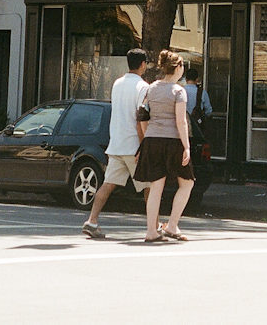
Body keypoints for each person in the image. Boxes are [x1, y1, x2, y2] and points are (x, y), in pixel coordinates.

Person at [82, 47, 149, 240]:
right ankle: (154, 226)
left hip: (117, 143)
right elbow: (140, 118)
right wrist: (143, 145)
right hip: (133, 144)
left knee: (108, 184)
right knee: (149, 186)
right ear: (143, 64)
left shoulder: (117, 83)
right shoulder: (143, 86)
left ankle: (92, 220)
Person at [135, 48, 194, 243]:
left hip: (153, 140)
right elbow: (181, 121)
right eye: (182, 65)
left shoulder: (151, 88)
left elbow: (143, 115)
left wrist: (147, 136)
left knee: (156, 186)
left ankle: (151, 231)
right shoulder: (178, 91)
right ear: (178, 67)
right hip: (173, 141)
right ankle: (172, 224)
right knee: (187, 182)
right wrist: (186, 146)